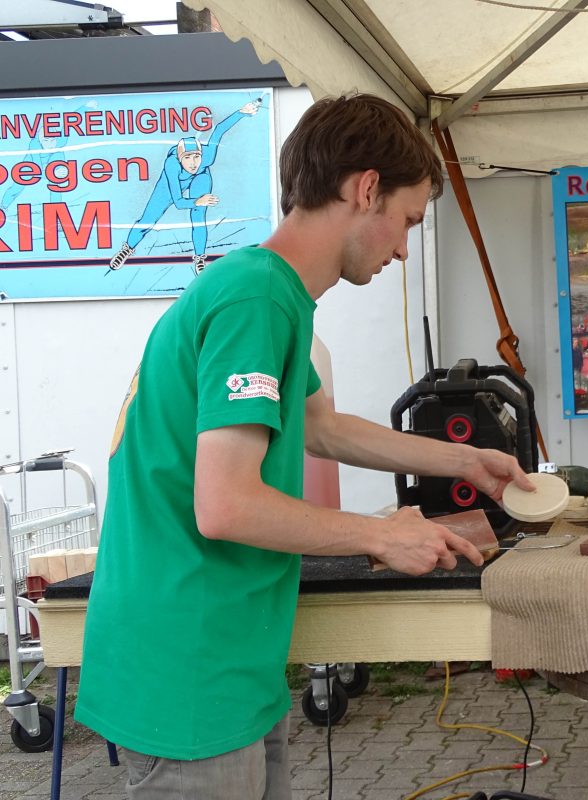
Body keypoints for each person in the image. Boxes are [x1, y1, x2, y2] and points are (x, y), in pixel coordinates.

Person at [75, 93, 536, 799]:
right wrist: (378, 535)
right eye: (409, 221)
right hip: (189, 671)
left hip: (232, 661)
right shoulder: (255, 298)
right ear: (366, 189)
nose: (403, 249)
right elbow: (225, 506)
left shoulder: (273, 296)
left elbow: (321, 426)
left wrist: (467, 461)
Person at [108, 100, 262, 274]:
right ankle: (127, 248)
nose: (193, 162)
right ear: (180, 159)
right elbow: (179, 202)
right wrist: (197, 200)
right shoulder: (171, 166)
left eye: (196, 156)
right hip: (173, 183)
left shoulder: (207, 157)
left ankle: (199, 258)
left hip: (200, 178)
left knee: (199, 216)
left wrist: (242, 112)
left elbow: (219, 129)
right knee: (148, 218)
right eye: (188, 158)